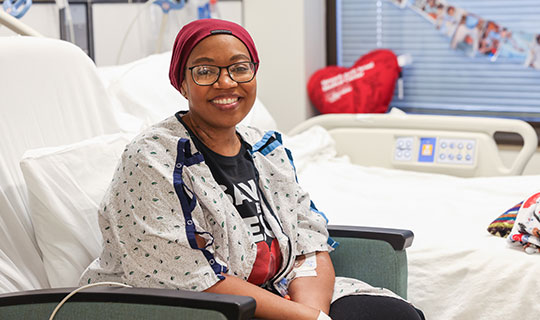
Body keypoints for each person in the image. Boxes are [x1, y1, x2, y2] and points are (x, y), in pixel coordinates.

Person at [79, 19, 425, 320]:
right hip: (192, 307)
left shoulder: (265, 149)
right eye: (205, 71)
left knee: (394, 315)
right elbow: (185, 276)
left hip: (277, 293)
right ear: (181, 83)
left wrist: (311, 314)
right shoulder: (152, 157)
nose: (226, 82)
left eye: (239, 68)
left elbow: (308, 242)